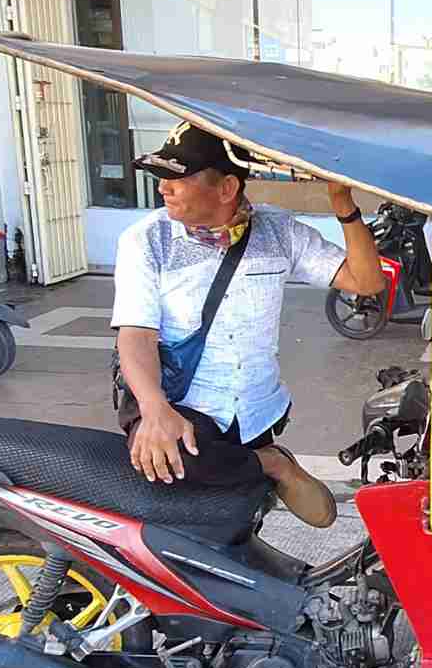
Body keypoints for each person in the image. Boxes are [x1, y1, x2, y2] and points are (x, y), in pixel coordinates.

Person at [112, 122, 387, 527]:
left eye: (177, 178)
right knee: (165, 466)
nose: (163, 188)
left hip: (255, 410)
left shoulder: (280, 232)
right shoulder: (147, 240)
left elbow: (367, 282)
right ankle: (274, 465)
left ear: (226, 188)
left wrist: (343, 204)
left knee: (240, 519)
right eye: (162, 178)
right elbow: (136, 334)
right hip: (182, 400)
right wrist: (154, 410)